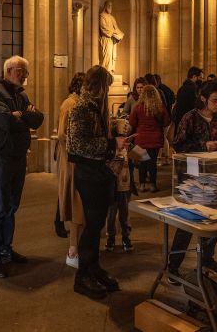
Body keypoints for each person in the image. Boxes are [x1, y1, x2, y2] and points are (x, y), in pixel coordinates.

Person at [67, 65, 128, 299]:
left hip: (98, 173)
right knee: (92, 227)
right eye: (107, 87)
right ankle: (82, 276)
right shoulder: (81, 108)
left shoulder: (92, 107)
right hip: (89, 174)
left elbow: (92, 136)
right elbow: (78, 145)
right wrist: (114, 145)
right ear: (99, 86)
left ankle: (94, 268)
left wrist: (113, 128)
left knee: (97, 224)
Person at [168, 81, 217, 284]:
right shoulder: (190, 118)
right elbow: (179, 144)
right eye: (215, 100)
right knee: (188, 222)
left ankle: (207, 259)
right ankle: (173, 266)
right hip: (192, 176)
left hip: (216, 174)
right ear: (204, 99)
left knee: (214, 219)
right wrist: (203, 145)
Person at [0, 56, 44, 278]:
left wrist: (21, 115)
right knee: (0, 207)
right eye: (23, 71)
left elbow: (38, 119)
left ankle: (6, 249)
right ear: (10, 70)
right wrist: (19, 116)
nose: (26, 76)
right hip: (1, 156)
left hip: (18, 156)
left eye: (26, 72)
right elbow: (6, 122)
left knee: (12, 206)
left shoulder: (21, 95)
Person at [57, 72, 86, 268]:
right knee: (75, 202)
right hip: (71, 160)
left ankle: (78, 247)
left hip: (76, 159)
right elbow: (61, 134)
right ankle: (73, 250)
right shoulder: (70, 104)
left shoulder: (79, 103)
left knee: (79, 203)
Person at [128, 85, 170, 192]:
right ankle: (152, 185)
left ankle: (142, 185)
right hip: (155, 138)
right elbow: (166, 122)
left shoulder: (138, 107)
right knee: (152, 163)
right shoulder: (160, 107)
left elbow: (132, 122)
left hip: (141, 138)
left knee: (142, 162)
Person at [173, 66, 203, 133]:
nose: (202, 80)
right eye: (200, 78)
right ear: (194, 77)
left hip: (181, 122)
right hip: (189, 124)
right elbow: (196, 107)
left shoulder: (181, 88)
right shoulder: (194, 90)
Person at [99, 1, 125, 72]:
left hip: (112, 40)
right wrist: (113, 32)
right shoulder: (102, 16)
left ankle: (110, 70)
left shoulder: (112, 18)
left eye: (111, 6)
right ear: (105, 6)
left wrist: (120, 34)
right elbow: (103, 27)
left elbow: (116, 28)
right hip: (106, 39)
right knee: (107, 55)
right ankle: (105, 71)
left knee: (112, 55)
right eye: (108, 5)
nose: (110, 7)